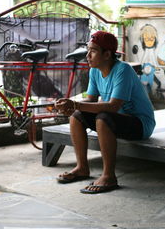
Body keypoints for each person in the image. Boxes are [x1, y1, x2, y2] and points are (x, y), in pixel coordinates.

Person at [54, 31, 156, 194]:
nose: (88, 55)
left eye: (93, 51)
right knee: (76, 116)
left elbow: (113, 107)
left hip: (140, 124)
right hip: (116, 119)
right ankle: (82, 168)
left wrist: (76, 104)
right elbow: (91, 99)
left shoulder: (123, 70)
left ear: (107, 54)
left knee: (103, 118)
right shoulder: (95, 70)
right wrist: (70, 105)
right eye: (88, 50)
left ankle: (109, 176)